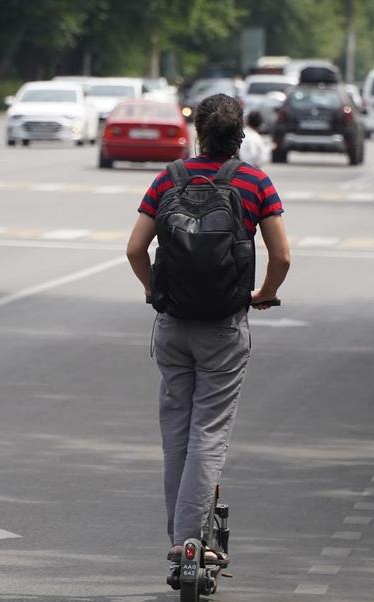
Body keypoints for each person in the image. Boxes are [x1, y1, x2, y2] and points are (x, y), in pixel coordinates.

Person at [125, 93, 291, 567]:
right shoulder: (255, 181)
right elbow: (281, 256)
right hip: (223, 328)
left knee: (176, 431)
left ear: (197, 131)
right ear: (239, 134)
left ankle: (179, 536)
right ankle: (189, 540)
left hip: (173, 325)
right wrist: (262, 293)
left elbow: (136, 248)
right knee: (208, 432)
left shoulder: (169, 178)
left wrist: (151, 289)